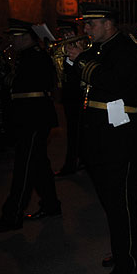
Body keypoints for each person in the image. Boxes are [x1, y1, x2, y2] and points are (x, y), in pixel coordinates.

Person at [65, 3, 137, 274]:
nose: (85, 29)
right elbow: (74, 84)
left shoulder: (125, 48)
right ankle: (134, 248)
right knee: (114, 199)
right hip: (99, 135)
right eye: (85, 24)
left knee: (118, 200)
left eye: (91, 24)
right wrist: (70, 62)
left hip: (119, 136)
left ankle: (126, 262)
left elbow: (116, 83)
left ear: (108, 23)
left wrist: (83, 63)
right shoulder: (96, 49)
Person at [0, 18, 61, 232]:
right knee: (38, 163)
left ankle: (12, 214)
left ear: (26, 37)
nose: (11, 41)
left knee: (24, 166)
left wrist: (7, 75)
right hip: (27, 116)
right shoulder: (25, 56)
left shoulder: (36, 56)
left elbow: (26, 83)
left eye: (14, 37)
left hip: (34, 117)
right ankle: (51, 204)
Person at [54, 18, 85, 177]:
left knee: (79, 132)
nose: (66, 36)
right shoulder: (61, 52)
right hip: (68, 99)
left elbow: (79, 74)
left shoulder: (83, 51)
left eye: (69, 33)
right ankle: (75, 161)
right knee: (72, 132)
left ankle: (73, 163)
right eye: (63, 33)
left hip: (80, 98)